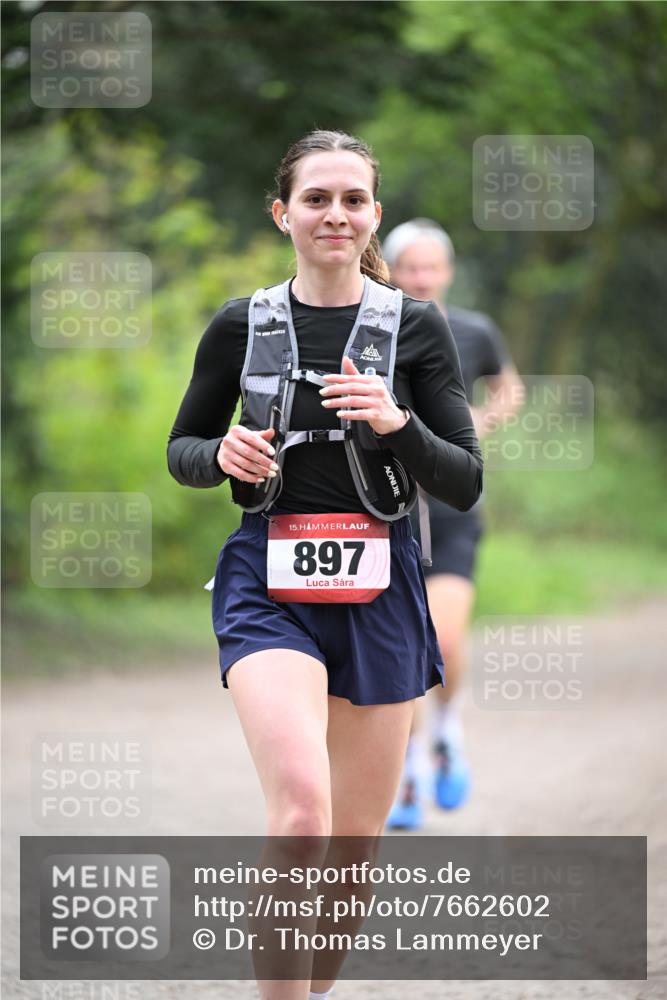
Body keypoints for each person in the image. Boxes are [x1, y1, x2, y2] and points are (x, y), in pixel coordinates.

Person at [167, 134, 482, 1000]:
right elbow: (182, 447)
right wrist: (219, 456)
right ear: (283, 214)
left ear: (372, 214)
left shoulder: (412, 328)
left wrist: (395, 423)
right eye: (316, 199)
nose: (334, 214)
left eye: (352, 199)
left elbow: (461, 479)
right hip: (267, 580)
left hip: (380, 586)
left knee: (351, 844)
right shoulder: (243, 323)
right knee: (301, 812)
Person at [382, 219, 523, 830]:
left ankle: (445, 728)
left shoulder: (472, 329)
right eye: (409, 267)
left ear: (447, 271)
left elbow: (509, 387)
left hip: (452, 510)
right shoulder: (371, 329)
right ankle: (407, 772)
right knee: (401, 650)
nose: (420, 278)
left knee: (441, 639)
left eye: (430, 267)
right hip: (386, 512)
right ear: (389, 269)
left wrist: (476, 425)